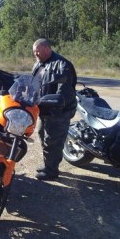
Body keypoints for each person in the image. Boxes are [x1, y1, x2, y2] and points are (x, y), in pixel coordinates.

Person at [31, 38, 77, 180]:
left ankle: (51, 171)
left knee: (53, 141)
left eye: (38, 51)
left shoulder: (63, 65)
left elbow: (63, 92)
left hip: (58, 112)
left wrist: (53, 105)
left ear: (46, 48)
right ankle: (48, 165)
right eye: (34, 52)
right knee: (42, 136)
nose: (36, 54)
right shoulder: (39, 64)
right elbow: (34, 84)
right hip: (43, 110)